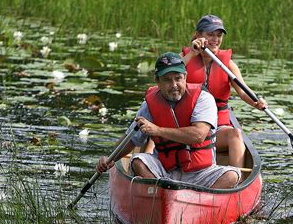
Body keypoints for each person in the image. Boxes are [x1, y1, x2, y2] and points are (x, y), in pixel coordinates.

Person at [96, 52, 240, 189]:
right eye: (167, 80)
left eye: (178, 78)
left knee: (232, 175)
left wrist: (158, 130)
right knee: (138, 161)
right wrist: (110, 159)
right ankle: (161, 193)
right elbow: (131, 139)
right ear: (157, 81)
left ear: (185, 76)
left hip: (201, 173)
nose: (174, 85)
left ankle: (194, 198)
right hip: (164, 171)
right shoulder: (149, 105)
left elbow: (198, 135)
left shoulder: (203, 99)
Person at [180, 14, 268, 168]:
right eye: (210, 35)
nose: (215, 39)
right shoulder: (185, 58)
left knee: (236, 134)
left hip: (217, 127)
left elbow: (242, 92)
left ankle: (237, 180)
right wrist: (192, 53)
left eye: (219, 35)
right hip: (187, 125)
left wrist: (256, 103)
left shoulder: (228, 64)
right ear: (198, 36)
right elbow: (168, 74)